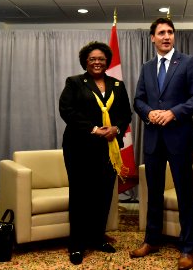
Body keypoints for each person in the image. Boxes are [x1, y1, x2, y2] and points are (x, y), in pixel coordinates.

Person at [130, 18, 193, 270]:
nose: (166, 36)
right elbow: (138, 100)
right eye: (161, 32)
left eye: (170, 32)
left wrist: (173, 112)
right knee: (153, 192)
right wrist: (148, 113)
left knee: (185, 193)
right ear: (152, 37)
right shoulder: (147, 67)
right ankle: (152, 240)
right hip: (153, 139)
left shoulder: (188, 63)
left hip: (179, 139)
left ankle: (187, 248)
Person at [59, 41, 132, 265]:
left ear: (107, 61)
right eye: (92, 59)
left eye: (101, 59)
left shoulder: (117, 84)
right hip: (79, 147)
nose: (97, 62)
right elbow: (67, 111)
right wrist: (93, 129)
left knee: (102, 194)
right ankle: (77, 245)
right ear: (85, 61)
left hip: (108, 149)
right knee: (81, 195)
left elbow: (126, 114)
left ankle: (97, 238)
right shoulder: (74, 83)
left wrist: (116, 128)